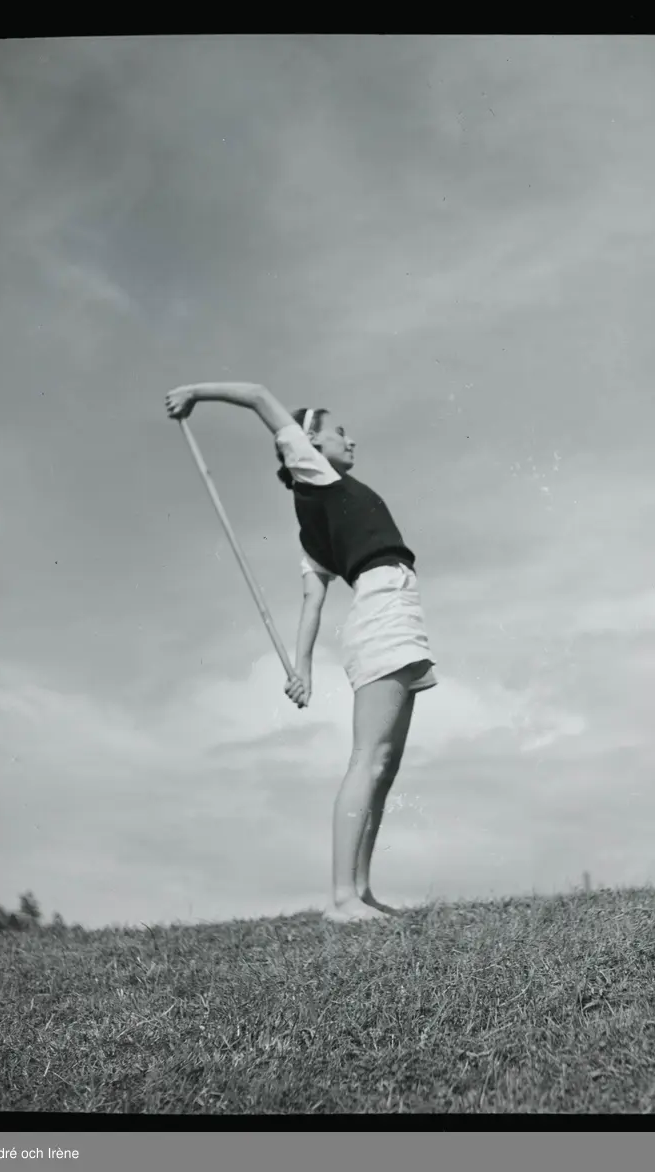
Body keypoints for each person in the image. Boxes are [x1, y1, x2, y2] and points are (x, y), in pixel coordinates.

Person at [164, 381, 437, 925]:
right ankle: (341, 899)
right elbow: (257, 395)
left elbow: (313, 602)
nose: (350, 439)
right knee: (369, 759)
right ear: (309, 442)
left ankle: (360, 892)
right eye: (340, 432)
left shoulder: (313, 519)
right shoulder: (315, 475)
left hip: (394, 611)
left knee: (385, 765)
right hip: (382, 610)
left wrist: (304, 669)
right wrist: (194, 392)